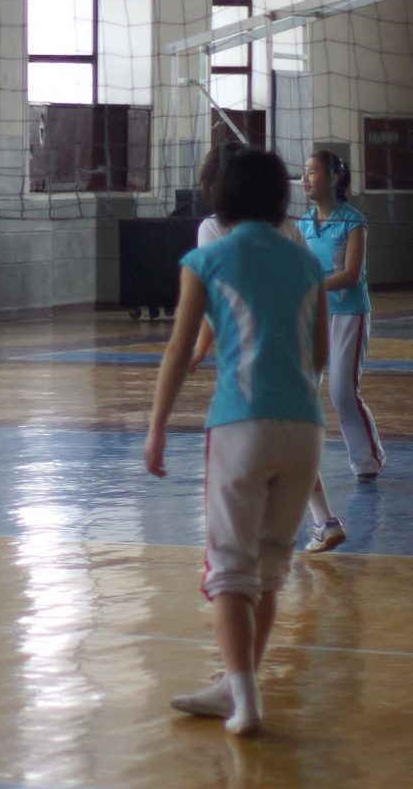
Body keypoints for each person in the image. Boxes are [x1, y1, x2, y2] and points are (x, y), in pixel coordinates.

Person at [144, 149, 328, 736]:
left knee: (229, 569)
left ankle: (244, 702)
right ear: (281, 198)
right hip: (305, 430)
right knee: (270, 568)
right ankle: (236, 681)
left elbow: (179, 349)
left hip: (240, 423)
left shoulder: (207, 257)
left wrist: (156, 426)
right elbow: (320, 352)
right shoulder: (306, 263)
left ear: (221, 197)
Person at [189, 142, 346, 555]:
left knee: (253, 453)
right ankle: (321, 520)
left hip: (251, 366)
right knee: (288, 438)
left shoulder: (211, 230)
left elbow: (217, 300)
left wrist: (200, 346)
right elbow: (309, 294)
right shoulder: (290, 228)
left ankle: (262, 535)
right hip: (298, 352)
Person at [297, 151, 386, 482]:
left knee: (342, 391)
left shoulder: (353, 221)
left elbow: (351, 274)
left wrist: (311, 287)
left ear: (334, 178)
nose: (305, 179)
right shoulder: (303, 223)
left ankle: (367, 461)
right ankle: (297, 458)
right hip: (313, 314)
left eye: (312, 172)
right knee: (302, 387)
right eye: (303, 173)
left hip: (348, 313)